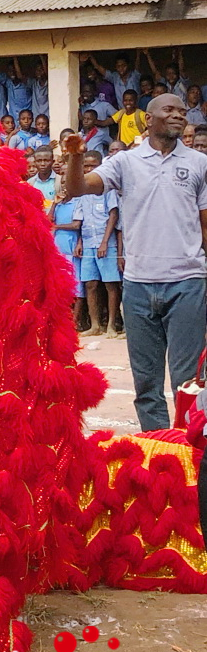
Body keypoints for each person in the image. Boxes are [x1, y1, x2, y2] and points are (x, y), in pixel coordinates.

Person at [65, 94, 207, 431]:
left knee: (188, 383)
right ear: (148, 118)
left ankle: (189, 455)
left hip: (187, 283)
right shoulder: (125, 162)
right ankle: (159, 449)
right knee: (146, 385)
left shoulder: (200, 164)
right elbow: (78, 188)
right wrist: (75, 157)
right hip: (139, 285)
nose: (178, 116)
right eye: (169, 110)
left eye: (182, 112)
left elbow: (205, 225)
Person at [74, 150, 121, 339]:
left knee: (110, 284)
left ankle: (111, 325)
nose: (89, 169)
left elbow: (113, 214)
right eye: (86, 165)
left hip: (105, 242)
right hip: (87, 242)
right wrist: (79, 242)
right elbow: (80, 219)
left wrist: (104, 242)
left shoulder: (107, 189)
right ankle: (95, 325)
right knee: (90, 284)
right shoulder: (82, 191)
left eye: (93, 165)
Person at [49, 181, 84, 327]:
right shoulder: (59, 204)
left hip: (72, 246)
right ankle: (62, 320)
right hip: (58, 247)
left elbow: (77, 225)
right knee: (60, 286)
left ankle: (75, 321)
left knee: (77, 286)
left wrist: (56, 226)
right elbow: (48, 220)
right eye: (62, 183)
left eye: (66, 182)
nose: (64, 186)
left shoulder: (78, 202)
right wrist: (54, 204)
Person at [28, 147, 57, 212]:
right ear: (35, 162)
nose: (42, 164)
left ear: (53, 162)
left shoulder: (59, 181)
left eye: (46, 161)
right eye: (39, 161)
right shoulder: (30, 183)